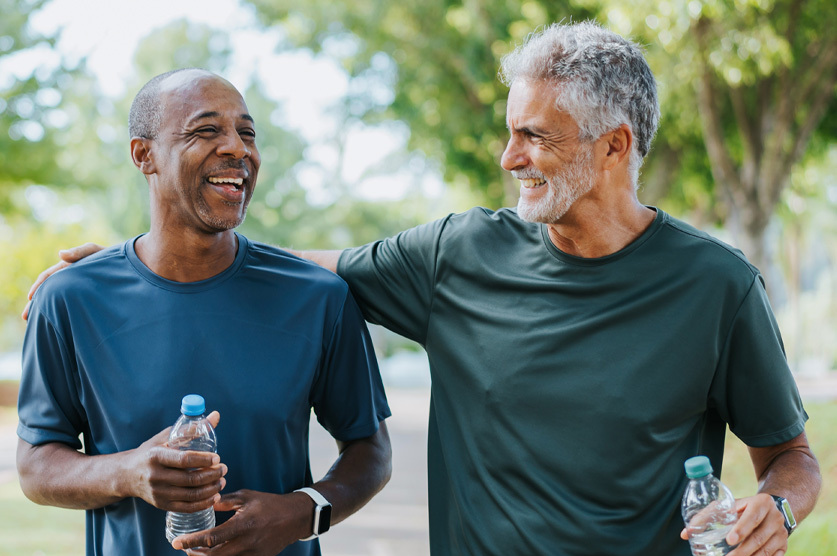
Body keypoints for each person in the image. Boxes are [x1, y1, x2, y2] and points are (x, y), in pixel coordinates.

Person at [24, 23, 821, 556]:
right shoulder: (459, 254)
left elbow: (789, 456)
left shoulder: (717, 286)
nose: (508, 157)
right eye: (510, 131)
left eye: (532, 136)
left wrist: (775, 509)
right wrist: (137, 259)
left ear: (613, 147)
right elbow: (303, 266)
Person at [17, 68, 392, 556]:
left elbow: (371, 450)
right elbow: (35, 465)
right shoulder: (69, 299)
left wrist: (303, 511)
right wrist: (127, 472)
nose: (238, 148)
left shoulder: (319, 298)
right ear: (143, 154)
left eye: (247, 133)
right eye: (206, 130)